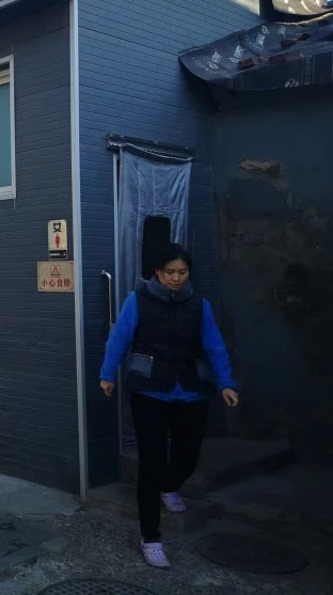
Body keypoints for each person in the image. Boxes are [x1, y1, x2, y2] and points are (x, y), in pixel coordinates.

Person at [100, 243, 239, 569]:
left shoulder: (199, 305)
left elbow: (215, 347)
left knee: (188, 454)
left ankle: (169, 486)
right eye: (169, 272)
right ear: (157, 272)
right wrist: (107, 373)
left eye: (182, 272)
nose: (176, 278)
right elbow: (119, 339)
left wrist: (226, 382)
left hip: (191, 389)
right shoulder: (137, 301)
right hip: (149, 390)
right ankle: (151, 537)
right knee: (151, 462)